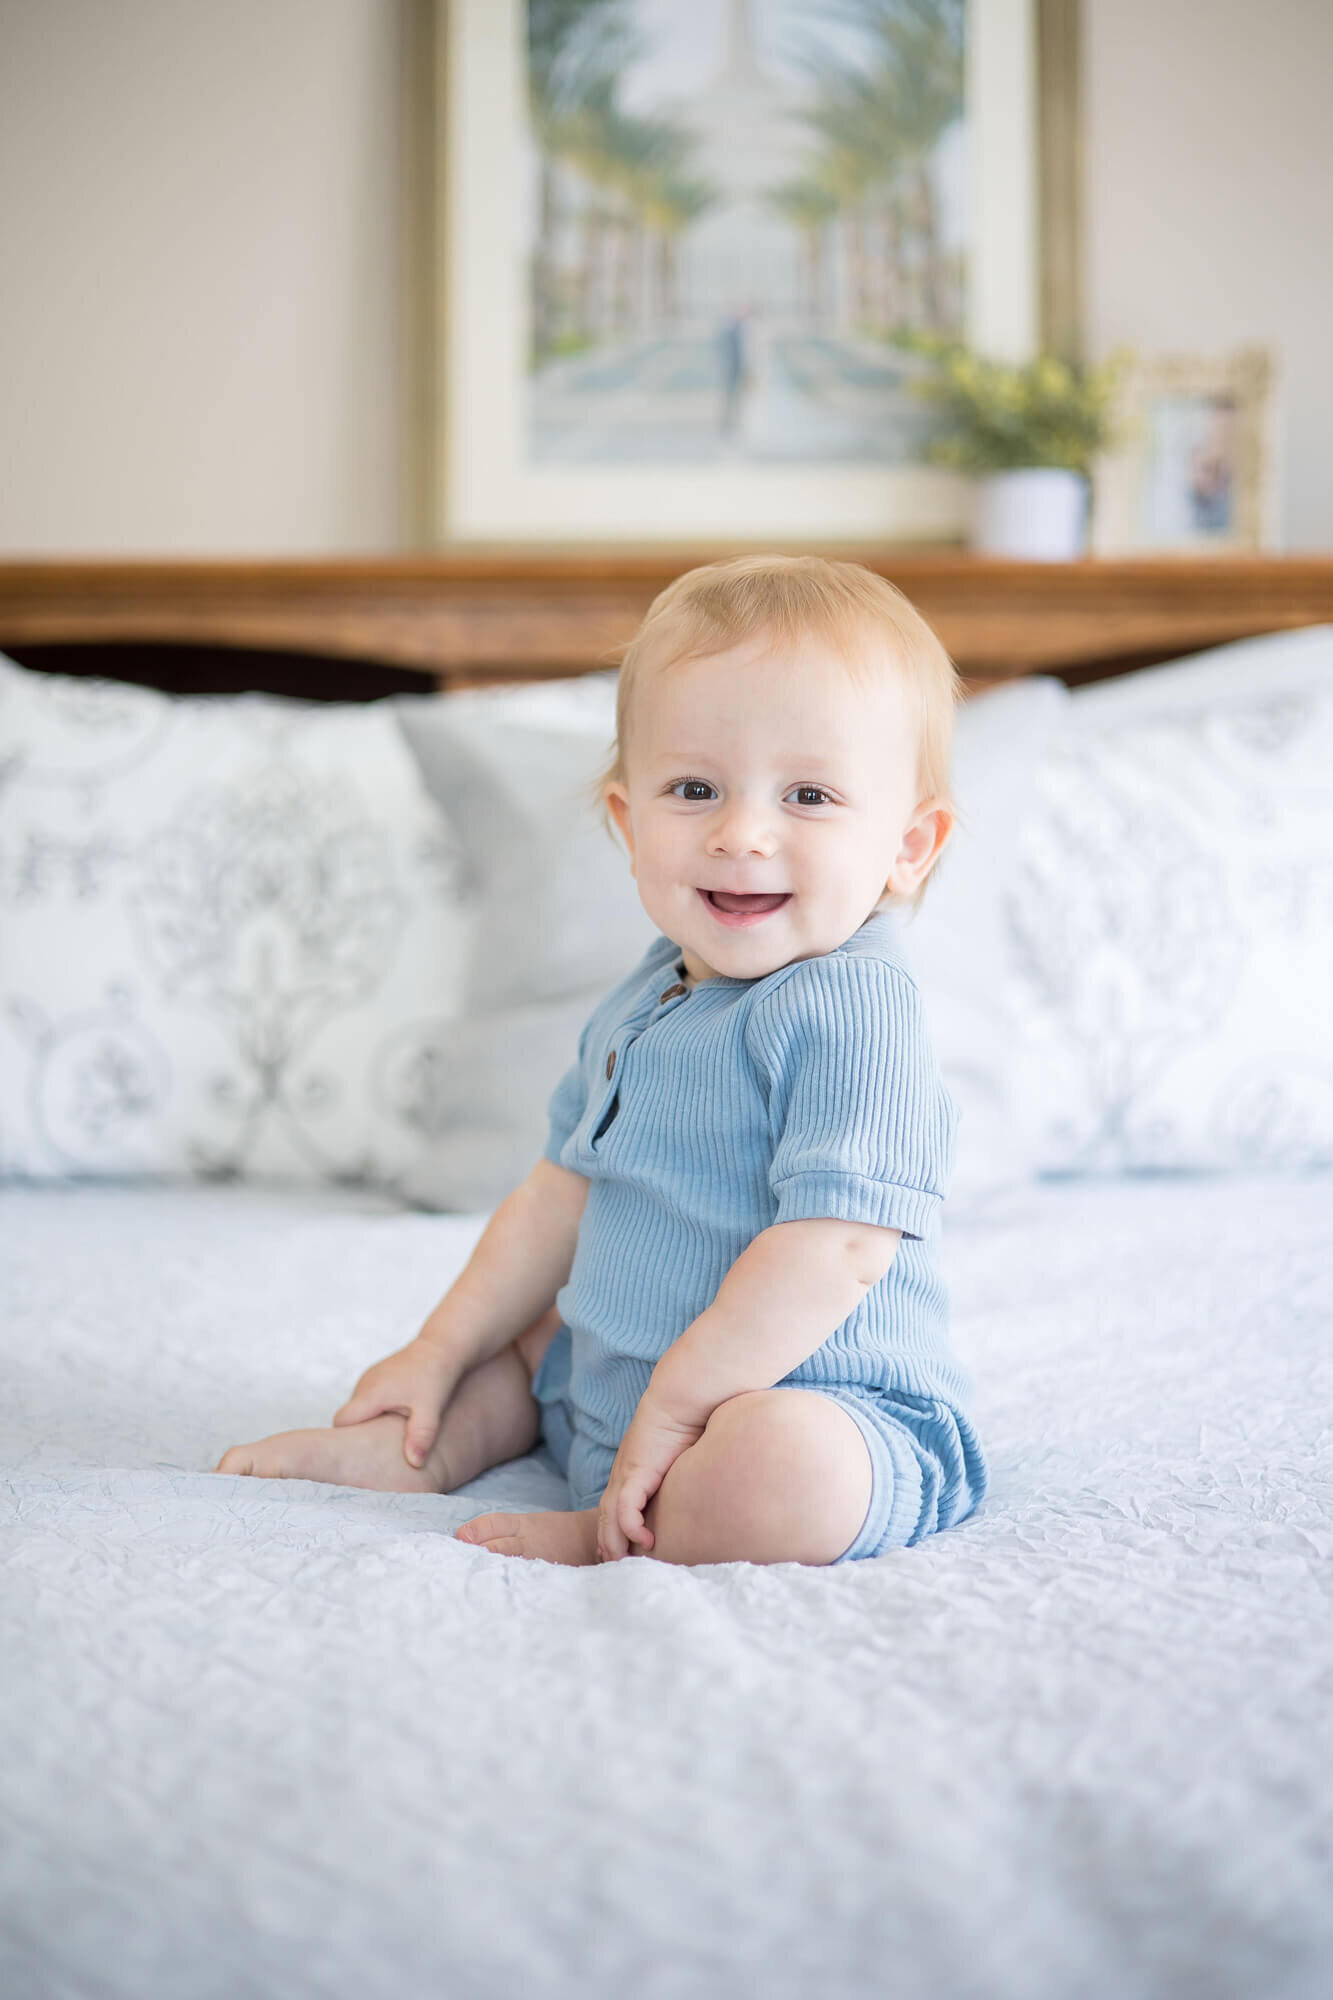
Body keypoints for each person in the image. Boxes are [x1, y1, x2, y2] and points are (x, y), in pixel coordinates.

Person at [215, 555, 988, 1568]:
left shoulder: (856, 1005)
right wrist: (435, 1349)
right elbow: (556, 1195)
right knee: (522, 1352)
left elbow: (837, 1247)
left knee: (782, 1467)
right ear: (629, 823)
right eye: (694, 787)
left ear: (908, 845)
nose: (741, 832)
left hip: (814, 1401)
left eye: (807, 794)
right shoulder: (652, 987)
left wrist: (678, 1404)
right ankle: (415, 1443)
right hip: (613, 1392)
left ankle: (619, 1532)